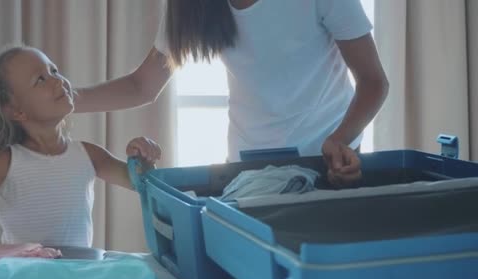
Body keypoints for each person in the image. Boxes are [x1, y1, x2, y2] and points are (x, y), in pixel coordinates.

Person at [72, 0, 389, 186]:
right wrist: (62, 101)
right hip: (244, 169)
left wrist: (340, 139)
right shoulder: (191, 7)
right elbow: (142, 86)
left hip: (327, 160)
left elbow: (373, 82)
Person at [0, 46, 162, 247]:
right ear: (18, 112)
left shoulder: (88, 154)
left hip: (74, 272)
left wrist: (141, 158)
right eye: (41, 79)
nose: (58, 80)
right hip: (25, 273)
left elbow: (141, 183)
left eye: (54, 71)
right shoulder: (6, 162)